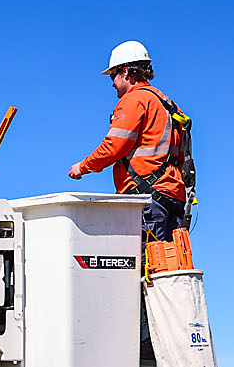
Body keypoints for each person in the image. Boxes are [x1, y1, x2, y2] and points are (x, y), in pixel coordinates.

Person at [67, 40, 191, 241]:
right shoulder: (168, 105)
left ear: (126, 71)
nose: (113, 83)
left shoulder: (134, 100)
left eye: (113, 76)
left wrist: (82, 167)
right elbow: (179, 156)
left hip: (148, 198)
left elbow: (114, 146)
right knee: (169, 266)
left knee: (143, 267)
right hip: (173, 196)